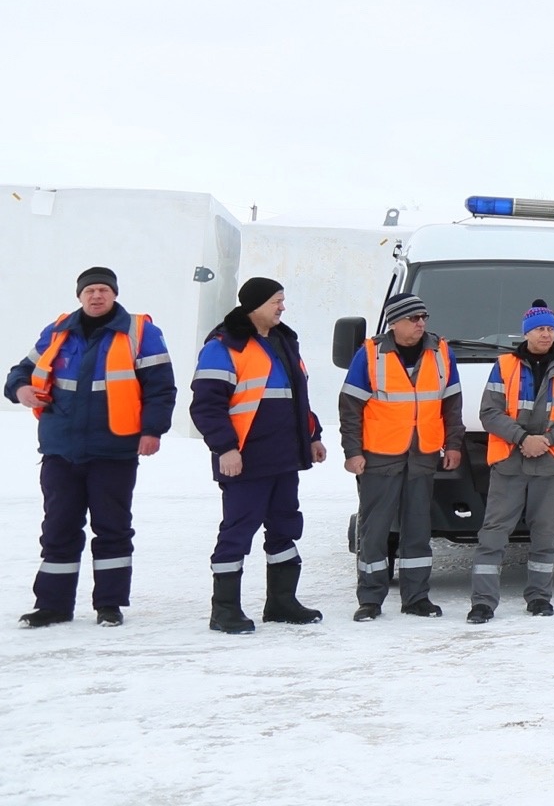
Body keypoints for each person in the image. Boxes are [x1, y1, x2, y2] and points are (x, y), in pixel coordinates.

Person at [6, 268, 178, 628]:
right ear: (80, 296)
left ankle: (109, 605)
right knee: (58, 528)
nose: (96, 296)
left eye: (103, 290)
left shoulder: (140, 332)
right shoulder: (58, 331)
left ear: (114, 294)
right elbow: (19, 373)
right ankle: (52, 606)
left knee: (112, 528)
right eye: (89, 290)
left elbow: (161, 387)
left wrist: (153, 431)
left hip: (113, 449)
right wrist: (20, 391)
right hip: (61, 449)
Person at [190, 276, 328, 633]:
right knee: (238, 532)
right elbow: (206, 405)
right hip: (244, 459)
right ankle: (224, 610)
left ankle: (281, 602)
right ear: (254, 306)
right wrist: (226, 448)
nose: (282, 307)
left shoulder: (284, 341)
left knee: (284, 529)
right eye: (275, 301)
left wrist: (313, 436)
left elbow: (297, 398)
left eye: (282, 300)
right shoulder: (224, 345)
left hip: (284, 457)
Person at [339, 292, 464, 619]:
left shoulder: (440, 352)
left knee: (418, 529)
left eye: (424, 317)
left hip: (422, 455)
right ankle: (370, 599)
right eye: (413, 318)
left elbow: (452, 404)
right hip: (379, 455)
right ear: (394, 322)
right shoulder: (371, 354)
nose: (421, 323)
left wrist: (453, 445)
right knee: (375, 530)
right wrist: (352, 452)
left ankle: (416, 598)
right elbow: (350, 407)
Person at [468, 301, 554, 621]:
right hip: (510, 461)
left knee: (547, 532)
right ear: (526, 333)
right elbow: (489, 412)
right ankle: (483, 602)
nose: (546, 334)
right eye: (540, 329)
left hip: (551, 463)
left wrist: (547, 441)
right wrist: (523, 439)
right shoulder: (504, 365)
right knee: (493, 532)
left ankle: (539, 597)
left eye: (551, 328)